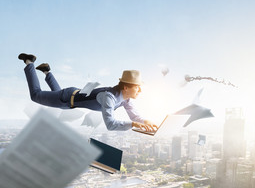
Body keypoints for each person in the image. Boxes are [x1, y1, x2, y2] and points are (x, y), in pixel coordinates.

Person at [18, 53, 158, 132]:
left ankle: (46, 70)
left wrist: (145, 121)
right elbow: (111, 124)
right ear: (126, 87)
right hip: (66, 99)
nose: (140, 90)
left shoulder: (126, 100)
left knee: (58, 98)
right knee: (36, 95)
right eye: (137, 86)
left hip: (70, 97)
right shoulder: (108, 97)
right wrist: (133, 124)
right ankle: (29, 62)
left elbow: (136, 117)